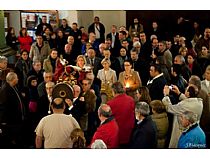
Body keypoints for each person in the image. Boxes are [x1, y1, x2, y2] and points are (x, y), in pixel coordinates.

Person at [0, 72, 25, 148]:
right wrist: (3, 121)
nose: (18, 79)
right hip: (10, 122)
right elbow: (3, 107)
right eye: (16, 78)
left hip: (16, 120)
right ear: (13, 79)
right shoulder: (5, 90)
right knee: (12, 142)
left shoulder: (13, 86)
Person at [107, 82, 135, 148]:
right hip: (130, 133)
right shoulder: (131, 100)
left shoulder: (110, 104)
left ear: (113, 91)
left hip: (117, 134)